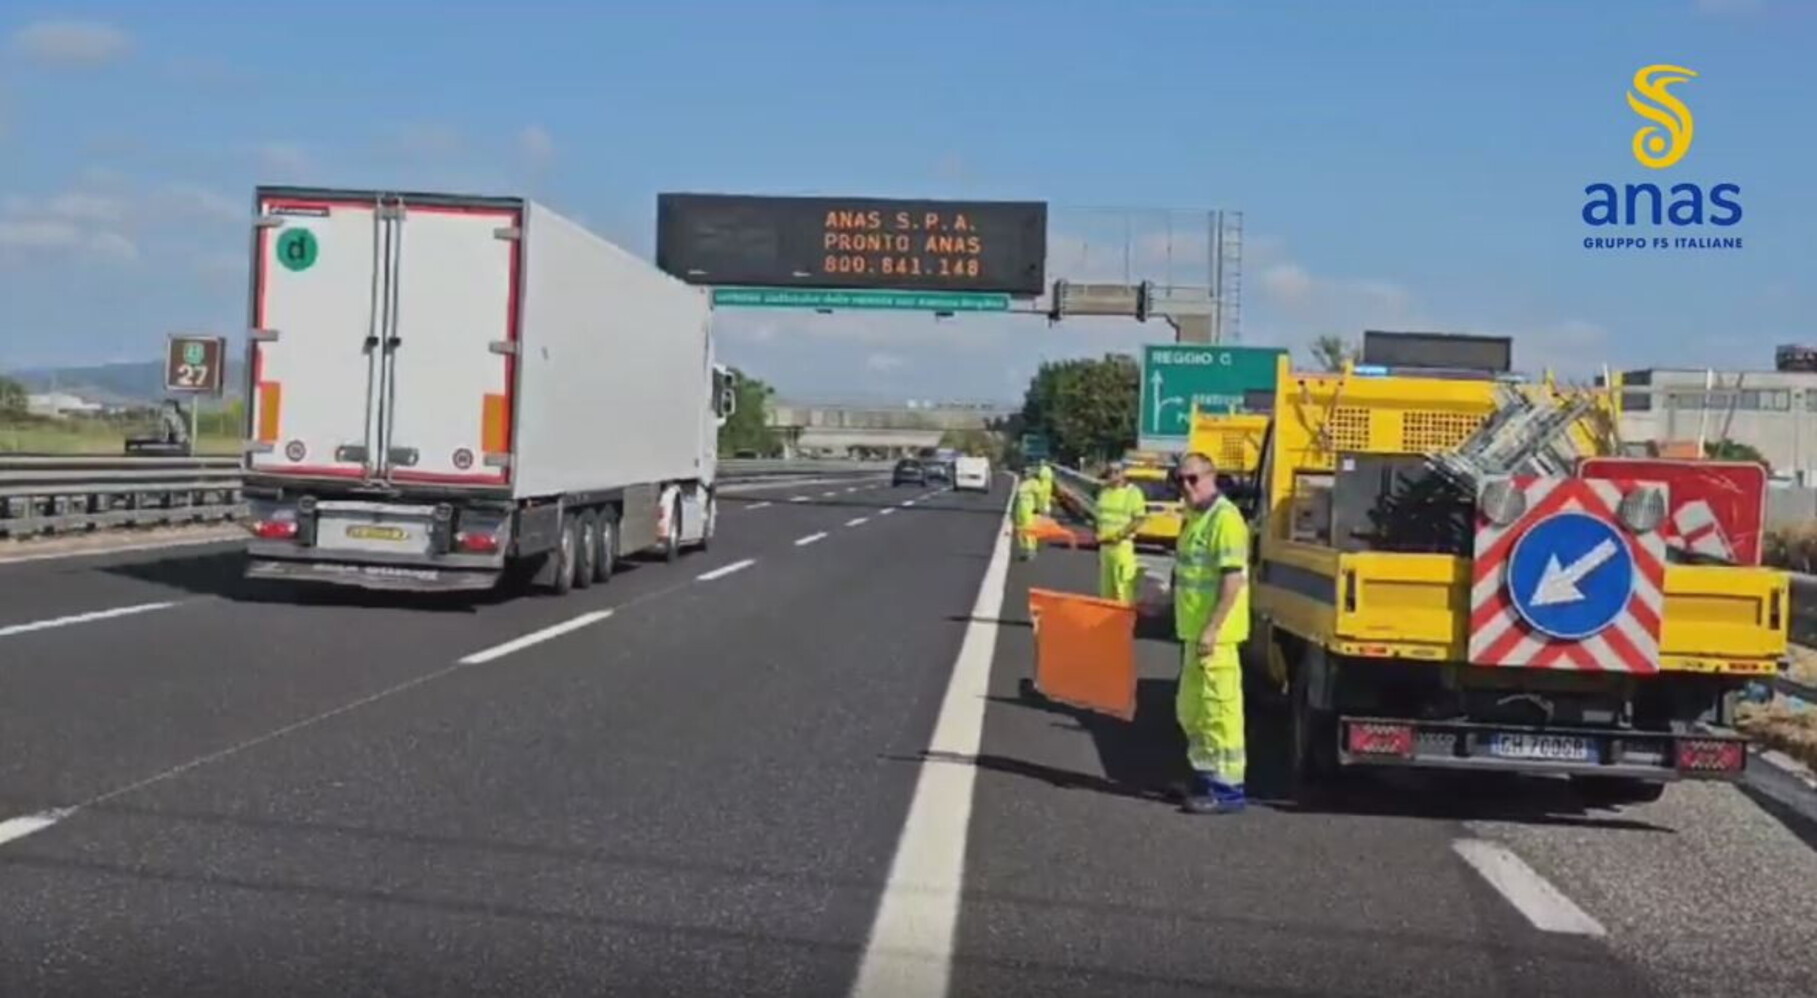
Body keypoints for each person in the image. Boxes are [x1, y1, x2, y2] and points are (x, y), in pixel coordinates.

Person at [1169, 451, 1251, 815]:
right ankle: (1204, 776)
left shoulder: (1226, 519)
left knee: (1220, 711)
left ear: (1211, 476)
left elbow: (1232, 581)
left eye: (1193, 479)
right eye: (1180, 480)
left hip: (1216, 637)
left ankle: (1228, 790)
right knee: (1192, 710)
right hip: (1192, 632)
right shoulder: (1193, 517)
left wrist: (1213, 627)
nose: (1186, 487)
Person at [1093, 461, 1147, 604]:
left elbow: (1139, 519)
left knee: (1123, 590)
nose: (1113, 475)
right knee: (1105, 591)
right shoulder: (1104, 492)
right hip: (1105, 548)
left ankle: (1125, 621)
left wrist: (1120, 534)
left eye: (1117, 472)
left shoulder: (1132, 493)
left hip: (1122, 546)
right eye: (1110, 472)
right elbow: (1099, 517)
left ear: (1124, 473)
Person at [1013, 472, 1043, 561]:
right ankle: (1028, 551)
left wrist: (1038, 508)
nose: (1025, 474)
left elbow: (1039, 495)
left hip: (1026, 510)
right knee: (1023, 530)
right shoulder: (1027, 483)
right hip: (1023, 510)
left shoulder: (1029, 483)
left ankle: (1030, 551)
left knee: (1027, 530)